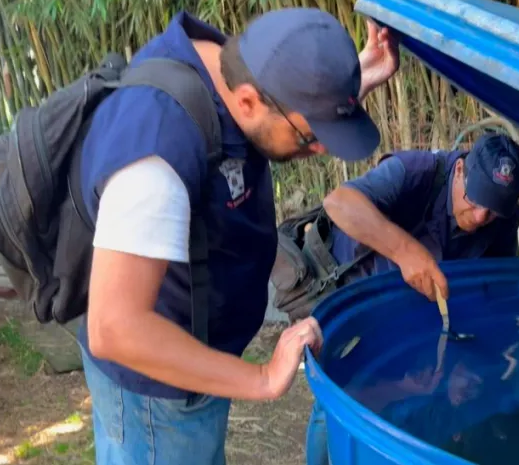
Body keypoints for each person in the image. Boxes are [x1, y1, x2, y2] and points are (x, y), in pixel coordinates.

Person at [79, 9, 399, 465]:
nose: (321, 149)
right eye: (311, 136)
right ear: (248, 102)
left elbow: (280, 112)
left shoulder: (235, 67)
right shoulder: (157, 150)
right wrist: (263, 379)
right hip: (157, 390)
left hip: (199, 357)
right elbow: (116, 329)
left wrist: (342, 87)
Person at [306, 133, 519, 464]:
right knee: (340, 402)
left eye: (494, 209)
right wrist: (405, 251)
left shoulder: (504, 218)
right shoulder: (414, 171)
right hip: (365, 309)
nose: (482, 217)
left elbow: (501, 290)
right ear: (458, 171)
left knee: (414, 411)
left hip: (425, 327)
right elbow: (339, 203)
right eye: (475, 198)